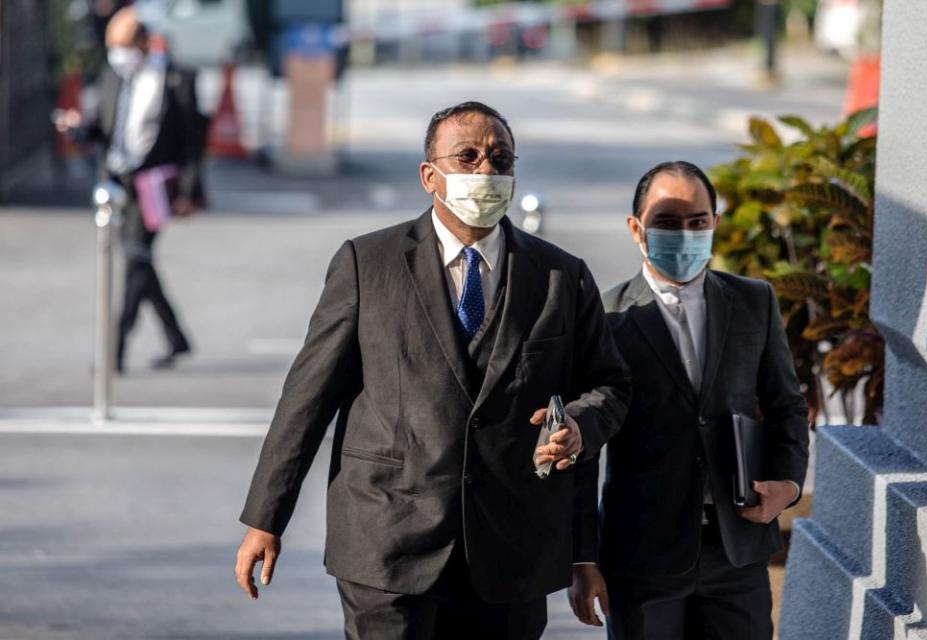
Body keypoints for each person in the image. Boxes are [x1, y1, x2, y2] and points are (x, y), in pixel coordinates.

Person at [235, 101, 631, 640]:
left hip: (510, 551)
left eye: (500, 159)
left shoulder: (562, 276)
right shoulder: (366, 264)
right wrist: (266, 517)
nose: (485, 171)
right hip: (387, 545)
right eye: (467, 158)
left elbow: (608, 386)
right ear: (430, 176)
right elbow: (307, 398)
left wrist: (580, 428)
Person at [567, 161, 809, 639]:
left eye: (697, 221)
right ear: (636, 228)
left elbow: (786, 406)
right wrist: (582, 558)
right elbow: (583, 448)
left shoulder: (754, 301)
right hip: (642, 558)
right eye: (668, 222)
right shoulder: (606, 316)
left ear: (715, 223)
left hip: (736, 550)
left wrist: (789, 484)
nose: (685, 233)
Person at [83, 7, 205, 372]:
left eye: (125, 47)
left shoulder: (174, 79)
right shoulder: (113, 76)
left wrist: (188, 191)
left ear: (143, 44)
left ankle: (113, 350)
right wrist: (77, 130)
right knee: (140, 262)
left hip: (154, 184)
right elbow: (101, 126)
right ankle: (176, 336)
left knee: (135, 259)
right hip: (117, 182)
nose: (119, 55)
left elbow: (191, 141)